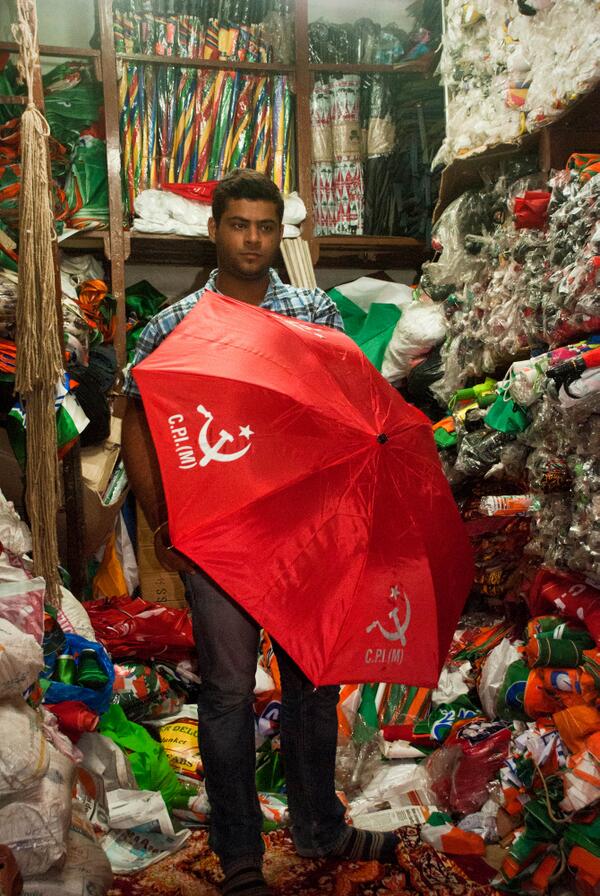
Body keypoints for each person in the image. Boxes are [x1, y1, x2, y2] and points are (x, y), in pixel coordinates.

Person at [122, 170, 398, 896]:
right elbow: (137, 423)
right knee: (226, 694)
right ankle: (240, 851)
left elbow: (352, 410)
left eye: (266, 226)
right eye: (239, 224)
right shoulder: (175, 323)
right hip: (222, 539)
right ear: (214, 229)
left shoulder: (312, 311)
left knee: (314, 684)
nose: (252, 239)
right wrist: (160, 520)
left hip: (309, 532)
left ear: (282, 233)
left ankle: (322, 828)